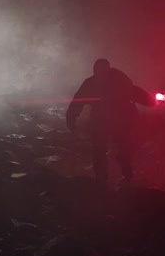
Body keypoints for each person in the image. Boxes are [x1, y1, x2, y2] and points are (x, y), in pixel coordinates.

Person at [65, 59, 153, 187]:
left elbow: (136, 93)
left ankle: (124, 176)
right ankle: (105, 179)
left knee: (120, 149)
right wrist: (71, 117)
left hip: (119, 120)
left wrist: (152, 102)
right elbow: (79, 100)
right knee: (101, 150)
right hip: (107, 120)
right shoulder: (96, 82)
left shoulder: (114, 81)